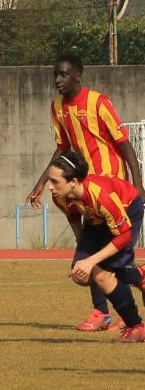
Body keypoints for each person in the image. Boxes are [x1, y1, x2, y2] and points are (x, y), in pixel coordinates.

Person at [26, 54, 145, 333]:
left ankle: (122, 314)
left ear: (77, 76)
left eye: (64, 74)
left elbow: (124, 144)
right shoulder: (56, 107)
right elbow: (62, 149)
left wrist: (138, 184)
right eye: (55, 74)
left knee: (108, 259)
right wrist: (41, 182)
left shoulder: (98, 102)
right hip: (82, 187)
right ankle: (105, 309)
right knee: (89, 259)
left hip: (111, 186)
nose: (58, 79)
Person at [49, 150, 145, 342]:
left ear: (74, 181)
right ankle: (139, 275)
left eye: (55, 181)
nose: (49, 187)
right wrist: (82, 246)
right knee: (81, 275)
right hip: (96, 219)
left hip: (127, 209)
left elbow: (124, 235)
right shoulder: (60, 196)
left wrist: (91, 260)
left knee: (101, 275)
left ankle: (136, 327)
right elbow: (73, 215)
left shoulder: (101, 195)